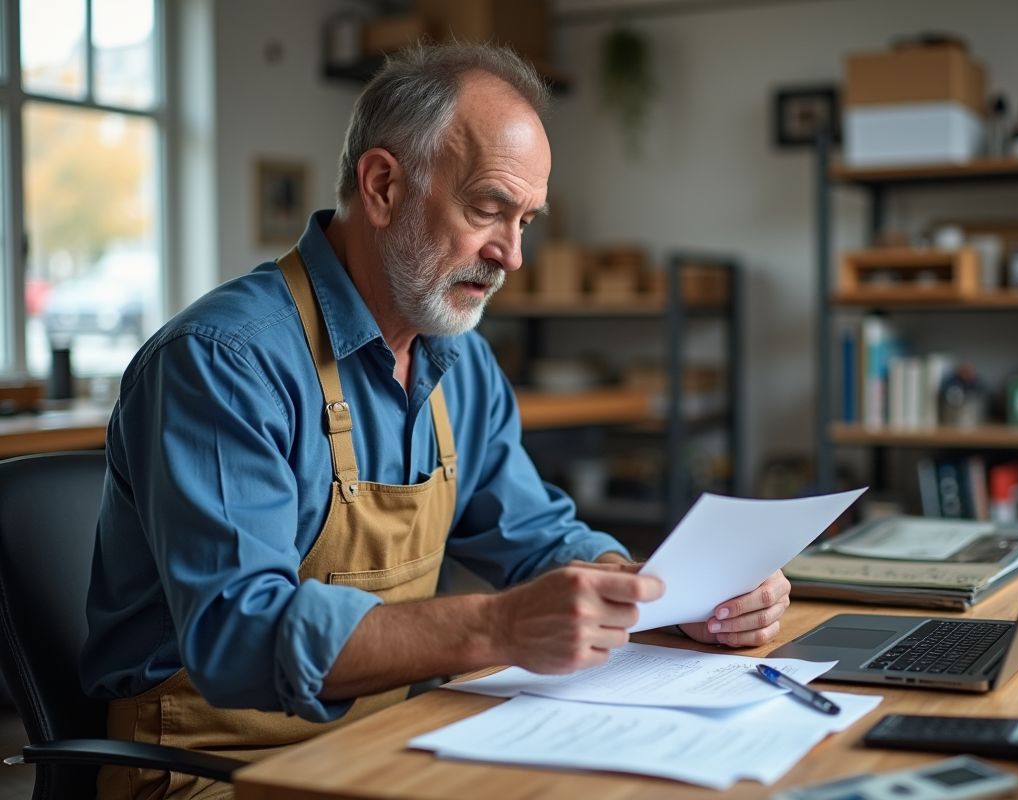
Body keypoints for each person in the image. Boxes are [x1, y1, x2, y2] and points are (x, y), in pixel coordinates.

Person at [82, 42, 790, 800]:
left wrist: (667, 595)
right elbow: (237, 635)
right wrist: (495, 627)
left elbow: (539, 539)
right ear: (383, 185)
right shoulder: (224, 361)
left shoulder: (462, 362)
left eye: (527, 220)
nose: (513, 256)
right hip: (207, 770)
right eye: (489, 208)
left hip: (385, 744)